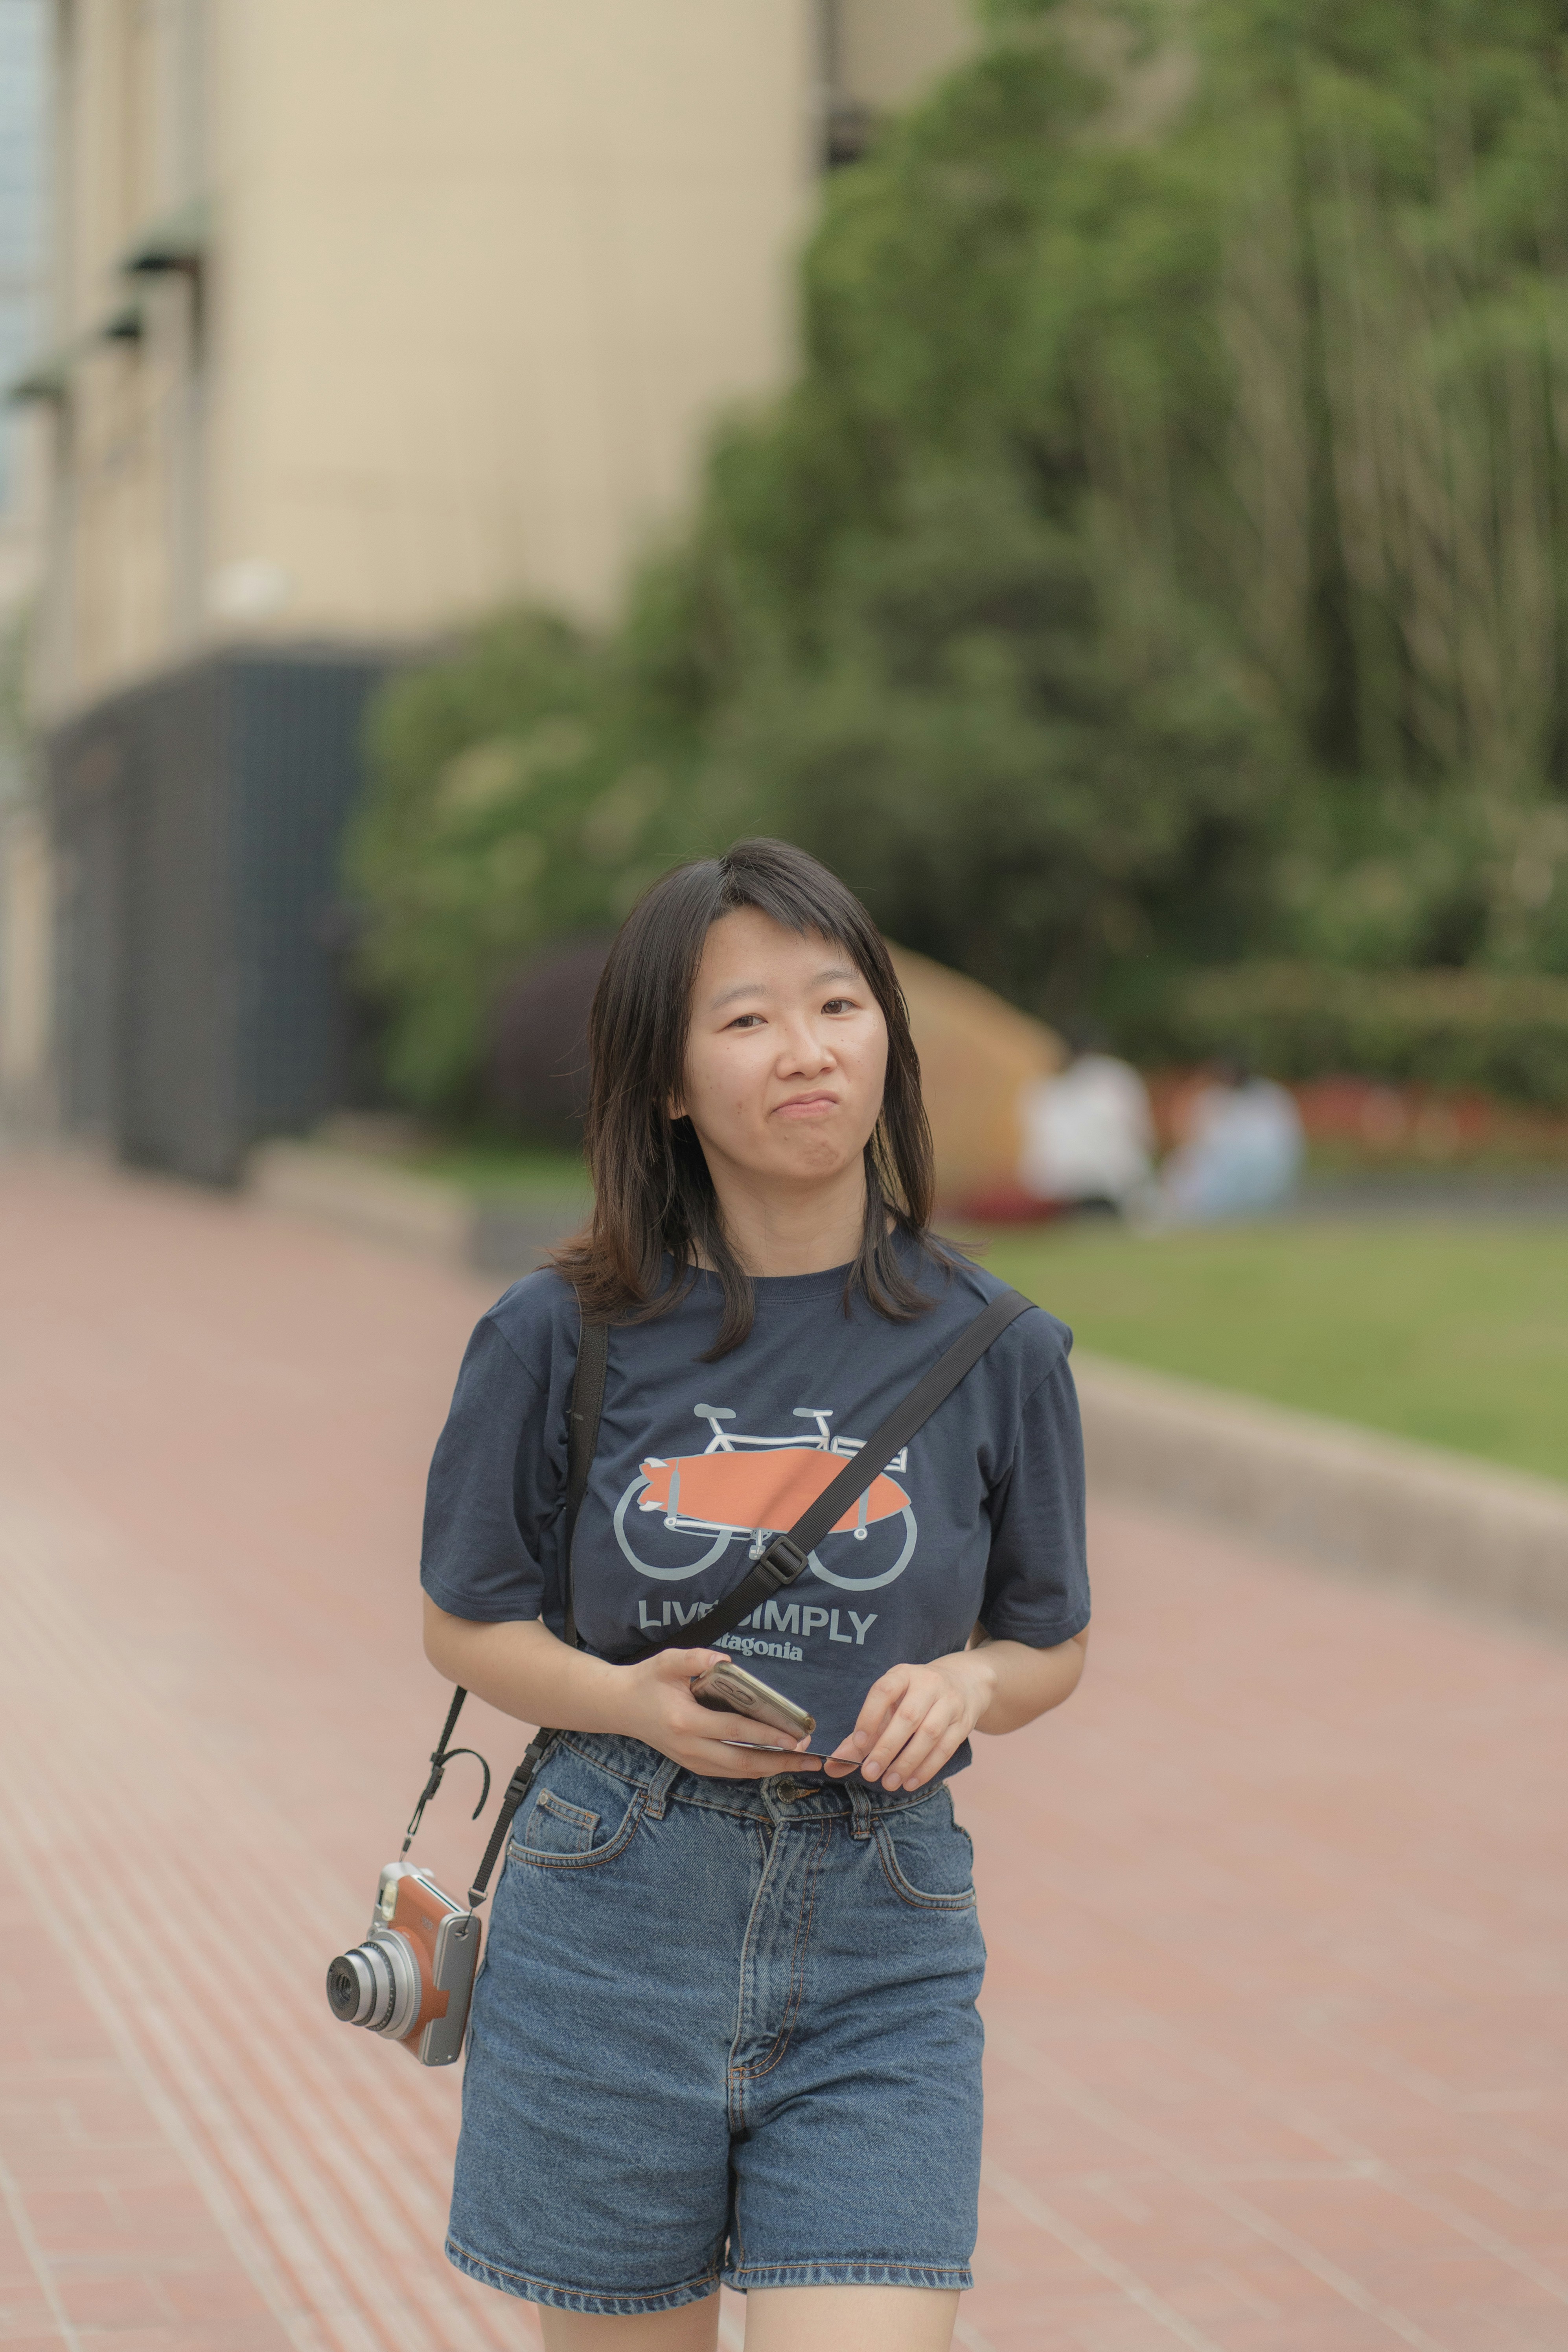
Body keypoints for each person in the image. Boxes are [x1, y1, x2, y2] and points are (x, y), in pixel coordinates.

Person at [421, 839, 1091, 2351]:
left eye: (837, 1002)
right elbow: (462, 1618)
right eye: (743, 1018)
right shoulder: (556, 1331)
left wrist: (972, 1685)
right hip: (608, 1915)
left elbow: (1047, 1636)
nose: (803, 1048)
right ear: (666, 1080)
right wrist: (625, 1699)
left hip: (882, 1930)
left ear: (882, 1038)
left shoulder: (1003, 1348)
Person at [1016, 1030, 1155, 1214]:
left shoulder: (1038, 1090)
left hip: (1051, 1187)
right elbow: (1143, 1136)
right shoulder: (1118, 1077)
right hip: (1110, 1185)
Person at [1154, 1056, 1305, 1224]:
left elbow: (1194, 1147)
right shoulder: (1274, 1095)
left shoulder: (1215, 1100)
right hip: (1268, 1188)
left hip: (1235, 1188)